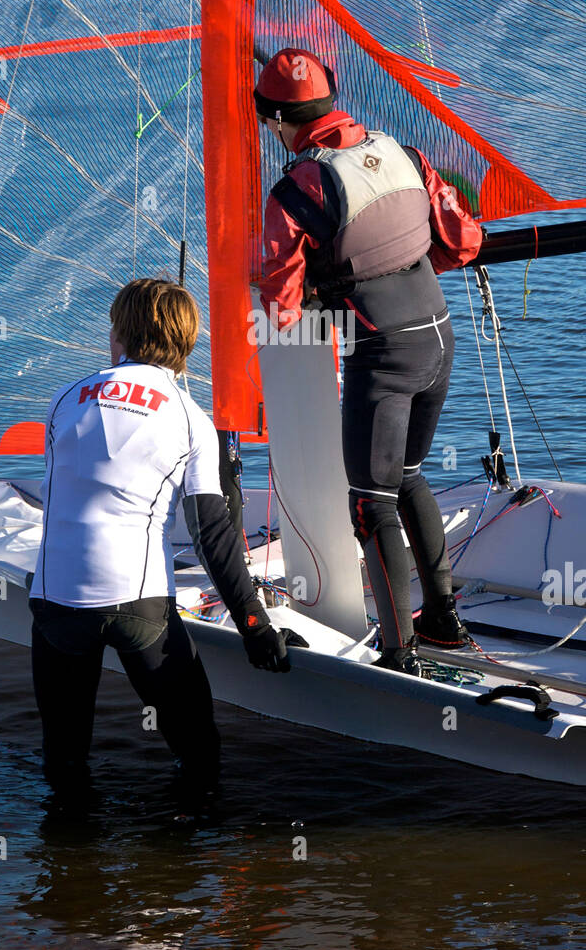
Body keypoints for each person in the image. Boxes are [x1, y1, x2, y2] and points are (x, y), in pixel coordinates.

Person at [28, 276, 302, 809]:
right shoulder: (192, 419)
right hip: (139, 607)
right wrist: (254, 626)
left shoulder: (64, 400)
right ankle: (184, 865)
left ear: (120, 337)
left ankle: (69, 875)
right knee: (198, 751)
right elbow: (211, 533)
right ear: (186, 343)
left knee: (65, 765)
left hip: (54, 606)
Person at [254, 48, 483, 674]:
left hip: (383, 354)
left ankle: (399, 655)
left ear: (276, 122)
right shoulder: (404, 153)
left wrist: (325, 287)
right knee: (405, 475)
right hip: (438, 336)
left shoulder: (299, 187)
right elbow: (463, 242)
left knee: (370, 502)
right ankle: (443, 622)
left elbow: (279, 304)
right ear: (331, 101)